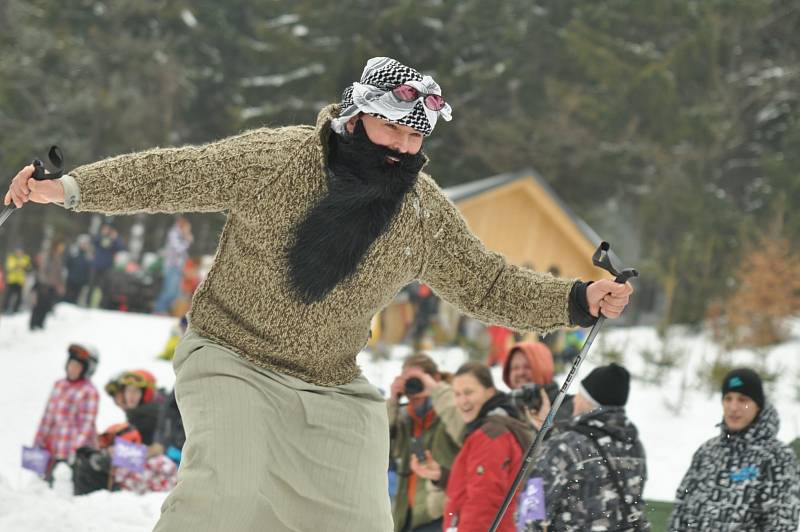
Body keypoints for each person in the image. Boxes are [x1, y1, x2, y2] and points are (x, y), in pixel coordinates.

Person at [5, 56, 633, 532]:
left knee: (360, 517)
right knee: (227, 486)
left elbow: (487, 282)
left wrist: (576, 299)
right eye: (395, 132)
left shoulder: (420, 212)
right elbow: (177, 171)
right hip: (231, 357)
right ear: (356, 117)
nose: (407, 151)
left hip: (330, 384)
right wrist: (71, 189)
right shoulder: (281, 160)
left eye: (419, 139)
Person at [668, 368, 800, 531]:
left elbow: (783, 524)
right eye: (728, 399)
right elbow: (681, 510)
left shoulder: (778, 457)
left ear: (758, 406)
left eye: (743, 400)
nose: (733, 407)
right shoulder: (707, 451)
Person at [523, 363, 650, 531]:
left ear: (587, 399)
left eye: (580, 394)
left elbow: (531, 511)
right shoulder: (634, 445)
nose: (574, 399)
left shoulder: (564, 446)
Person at [412, 362, 532, 532]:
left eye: (469, 393)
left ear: (490, 392)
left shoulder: (490, 436)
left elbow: (483, 502)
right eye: (457, 394)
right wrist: (442, 476)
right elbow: (482, 484)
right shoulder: (493, 425)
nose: (462, 401)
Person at [387, 354, 461, 532]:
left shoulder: (450, 411)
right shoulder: (404, 418)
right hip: (405, 515)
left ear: (434, 378)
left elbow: (464, 430)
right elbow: (380, 447)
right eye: (407, 380)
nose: (412, 386)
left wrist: (436, 391)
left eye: (417, 379)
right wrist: (392, 403)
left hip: (439, 515)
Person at [33, 344, 100, 481]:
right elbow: (47, 417)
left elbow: (86, 425)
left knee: (62, 490)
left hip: (71, 453)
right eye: (71, 364)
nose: (72, 369)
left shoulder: (89, 391)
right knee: (43, 487)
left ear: (87, 370)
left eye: (78, 367)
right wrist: (38, 441)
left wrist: (75, 450)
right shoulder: (59, 385)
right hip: (52, 448)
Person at [502, 340, 574, 427]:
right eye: (515, 368)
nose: (520, 373)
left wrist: (547, 427)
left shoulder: (569, 407)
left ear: (543, 368)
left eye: (527, 366)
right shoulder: (504, 409)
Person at [154, 216, 193, 315]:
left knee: (176, 292)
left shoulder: (180, 235)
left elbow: (183, 255)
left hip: (178, 267)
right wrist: (187, 241)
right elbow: (178, 249)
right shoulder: (174, 234)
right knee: (169, 290)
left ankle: (165, 310)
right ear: (182, 226)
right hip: (172, 266)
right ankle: (159, 310)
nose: (188, 230)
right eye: (187, 228)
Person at [29, 241, 65, 330]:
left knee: (46, 305)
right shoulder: (47, 256)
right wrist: (46, 282)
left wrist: (59, 284)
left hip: (51, 286)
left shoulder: (58, 258)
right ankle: (33, 324)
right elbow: (42, 271)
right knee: (38, 305)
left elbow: (59, 273)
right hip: (43, 284)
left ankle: (40, 324)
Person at [87, 222, 125, 307]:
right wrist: (101, 235)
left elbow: (120, 247)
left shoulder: (113, 240)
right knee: (92, 285)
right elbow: (93, 241)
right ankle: (88, 303)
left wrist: (115, 238)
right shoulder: (99, 237)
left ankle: (102, 304)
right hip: (96, 265)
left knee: (105, 287)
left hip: (107, 267)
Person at [63, 235, 93, 305]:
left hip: (80, 282)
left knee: (75, 300)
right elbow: (67, 264)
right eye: (83, 243)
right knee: (67, 298)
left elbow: (88, 271)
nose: (85, 245)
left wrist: (86, 281)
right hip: (71, 280)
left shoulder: (88, 256)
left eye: (86, 244)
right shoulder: (74, 254)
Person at [3, 245, 31, 313]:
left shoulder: (25, 258)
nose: (19, 253)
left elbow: (28, 267)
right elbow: (9, 266)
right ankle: (4, 308)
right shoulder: (12, 257)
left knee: (19, 296)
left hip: (20, 281)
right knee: (8, 295)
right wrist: (17, 266)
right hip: (12, 280)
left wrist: (24, 267)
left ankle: (15, 309)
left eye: (20, 251)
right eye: (18, 251)